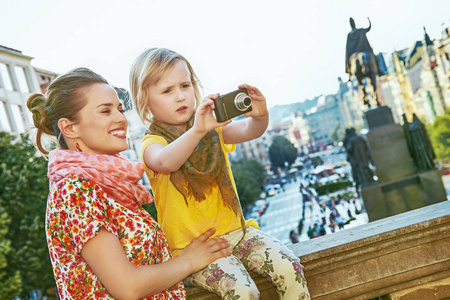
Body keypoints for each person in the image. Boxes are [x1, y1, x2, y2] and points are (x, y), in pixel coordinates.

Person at [26, 67, 232, 299]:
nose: (120, 119)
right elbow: (128, 287)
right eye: (106, 111)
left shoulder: (110, 184)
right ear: (70, 128)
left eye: (120, 109)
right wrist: (189, 261)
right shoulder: (74, 191)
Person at [130, 48, 310, 299]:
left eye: (185, 85)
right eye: (167, 91)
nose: (180, 96)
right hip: (194, 250)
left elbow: (250, 130)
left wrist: (261, 115)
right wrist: (197, 131)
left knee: (290, 267)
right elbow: (166, 161)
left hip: (239, 233)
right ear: (145, 102)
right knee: (243, 292)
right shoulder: (152, 143)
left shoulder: (211, 128)